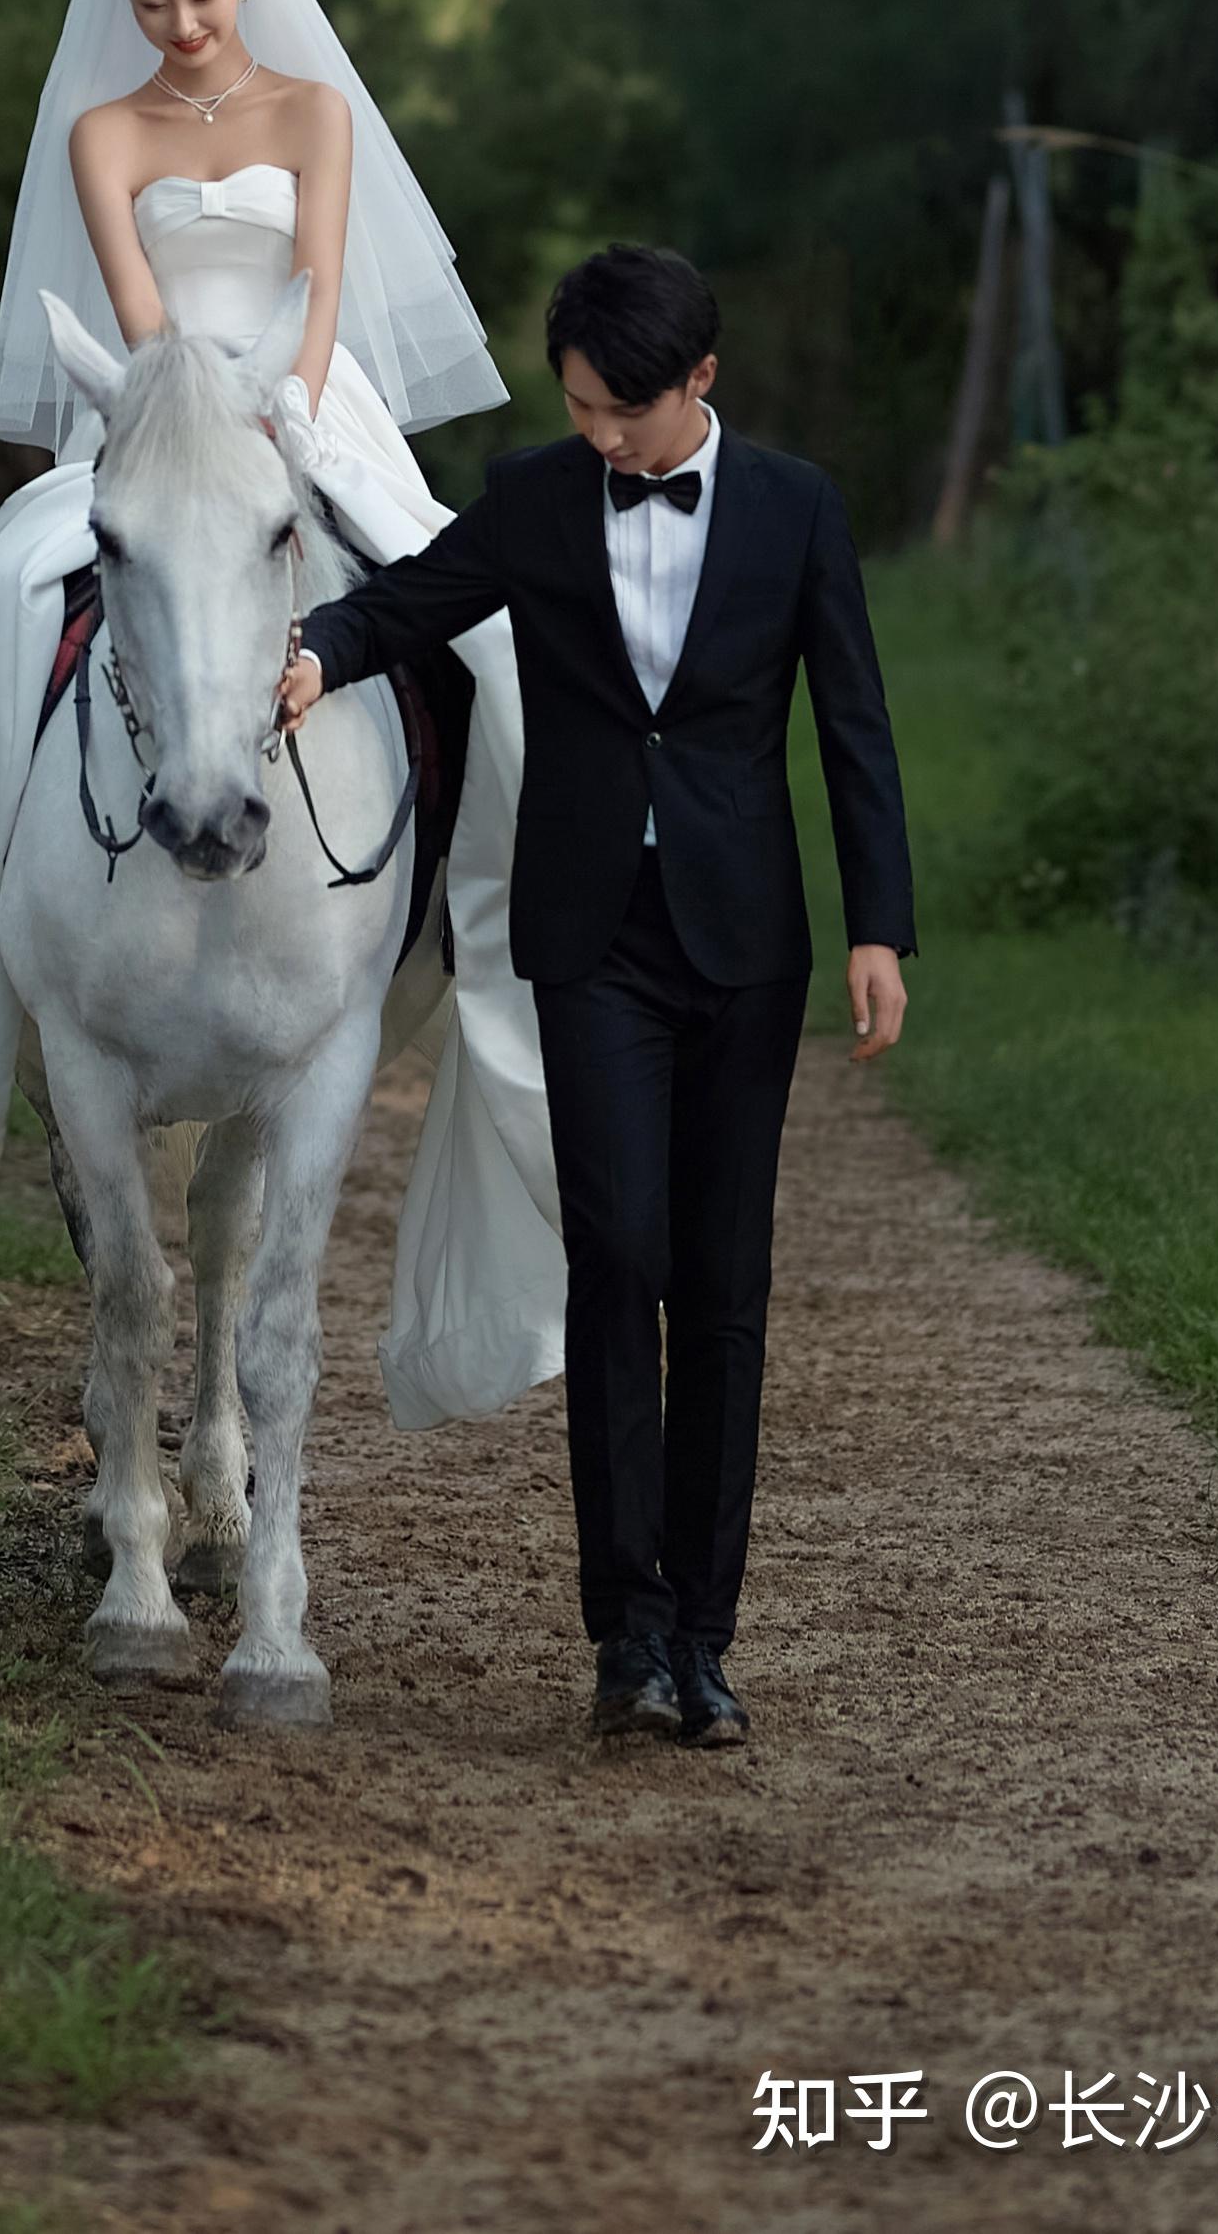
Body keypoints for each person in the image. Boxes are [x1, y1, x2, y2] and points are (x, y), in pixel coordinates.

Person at [0, 0, 565, 1432]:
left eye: (203, 2)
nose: (180, 29)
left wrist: (279, 419)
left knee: (483, 646)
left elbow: (323, 292)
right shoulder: (106, 133)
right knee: (5, 605)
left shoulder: (315, 116)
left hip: (298, 404)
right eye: (151, 8)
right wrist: (183, 421)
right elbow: (139, 313)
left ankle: (498, 919)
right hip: (153, 417)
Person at [275, 241, 911, 1749]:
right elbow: (413, 603)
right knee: (618, 1258)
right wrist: (312, 655)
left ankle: (706, 1634)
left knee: (725, 1289)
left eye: (623, 414)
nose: (599, 439)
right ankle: (623, 1632)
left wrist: (881, 925)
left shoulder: (797, 511)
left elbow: (858, 729)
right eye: (578, 407)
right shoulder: (540, 496)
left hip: (746, 942)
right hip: (590, 937)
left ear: (700, 382)